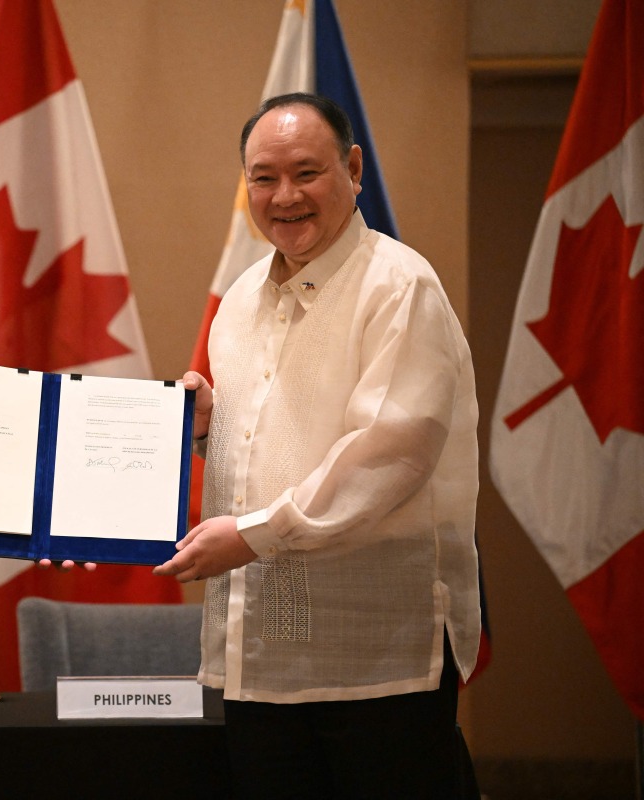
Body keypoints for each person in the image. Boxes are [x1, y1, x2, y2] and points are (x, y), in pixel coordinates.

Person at [155, 92, 481, 798]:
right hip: (263, 657)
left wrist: (251, 535)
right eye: (263, 177)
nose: (284, 196)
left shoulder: (400, 287)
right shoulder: (240, 300)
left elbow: (391, 455)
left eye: (307, 172)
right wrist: (209, 427)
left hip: (375, 659)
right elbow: (273, 446)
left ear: (354, 167)